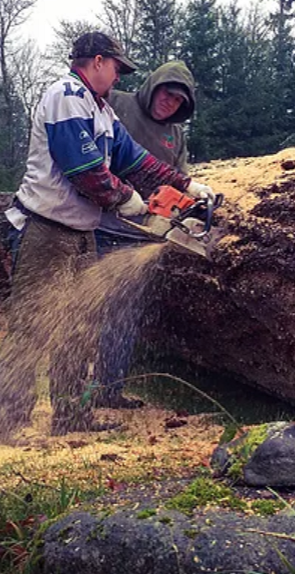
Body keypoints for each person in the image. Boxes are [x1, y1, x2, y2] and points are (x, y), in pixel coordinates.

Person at [0, 32, 214, 442]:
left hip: (82, 232)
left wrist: (186, 185)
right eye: (115, 68)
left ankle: (72, 416)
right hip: (47, 230)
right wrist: (127, 200)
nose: (117, 77)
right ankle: (11, 421)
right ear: (97, 61)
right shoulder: (66, 96)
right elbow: (84, 168)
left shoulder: (101, 111)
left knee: (79, 325)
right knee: (32, 325)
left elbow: (136, 158)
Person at [93, 61, 197, 408]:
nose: (170, 103)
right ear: (153, 86)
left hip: (143, 233)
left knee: (124, 312)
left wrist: (188, 197)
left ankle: (109, 389)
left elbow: (178, 175)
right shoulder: (118, 103)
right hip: (101, 218)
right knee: (85, 305)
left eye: (178, 101)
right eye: (167, 94)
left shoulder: (176, 134)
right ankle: (72, 390)